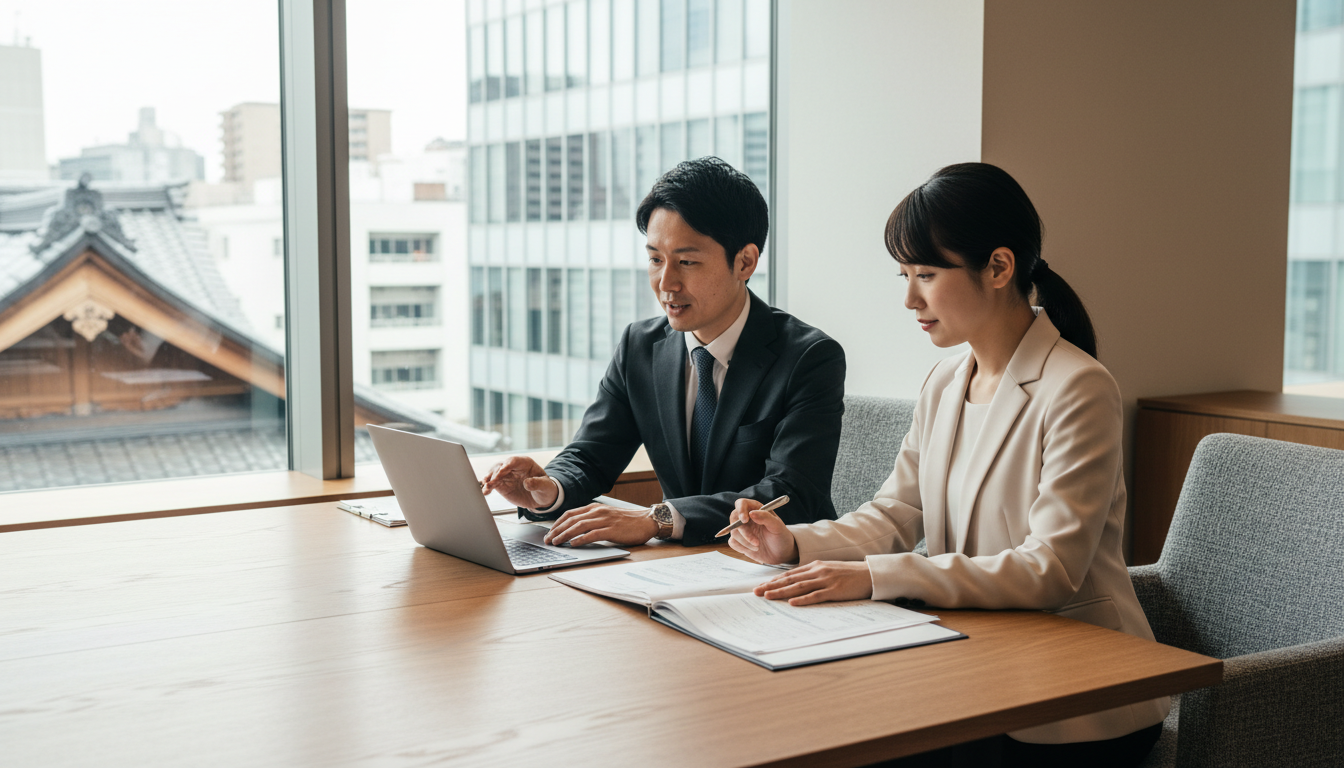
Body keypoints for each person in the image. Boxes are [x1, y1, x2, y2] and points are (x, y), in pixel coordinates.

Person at [726, 163, 1167, 767]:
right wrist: (794, 543)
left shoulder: (1079, 388)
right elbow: (898, 511)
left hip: (1077, 695)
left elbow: (1050, 570)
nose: (909, 298)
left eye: (927, 275)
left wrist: (880, 576)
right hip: (982, 657)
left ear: (999, 267)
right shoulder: (945, 381)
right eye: (905, 275)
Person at [481, 157, 846, 548]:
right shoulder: (640, 347)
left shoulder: (809, 358)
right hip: (676, 568)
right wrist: (548, 489)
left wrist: (658, 519)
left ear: (745, 261)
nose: (666, 283)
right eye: (655, 259)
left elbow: (792, 493)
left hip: (774, 569)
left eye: (687, 262)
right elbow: (591, 455)